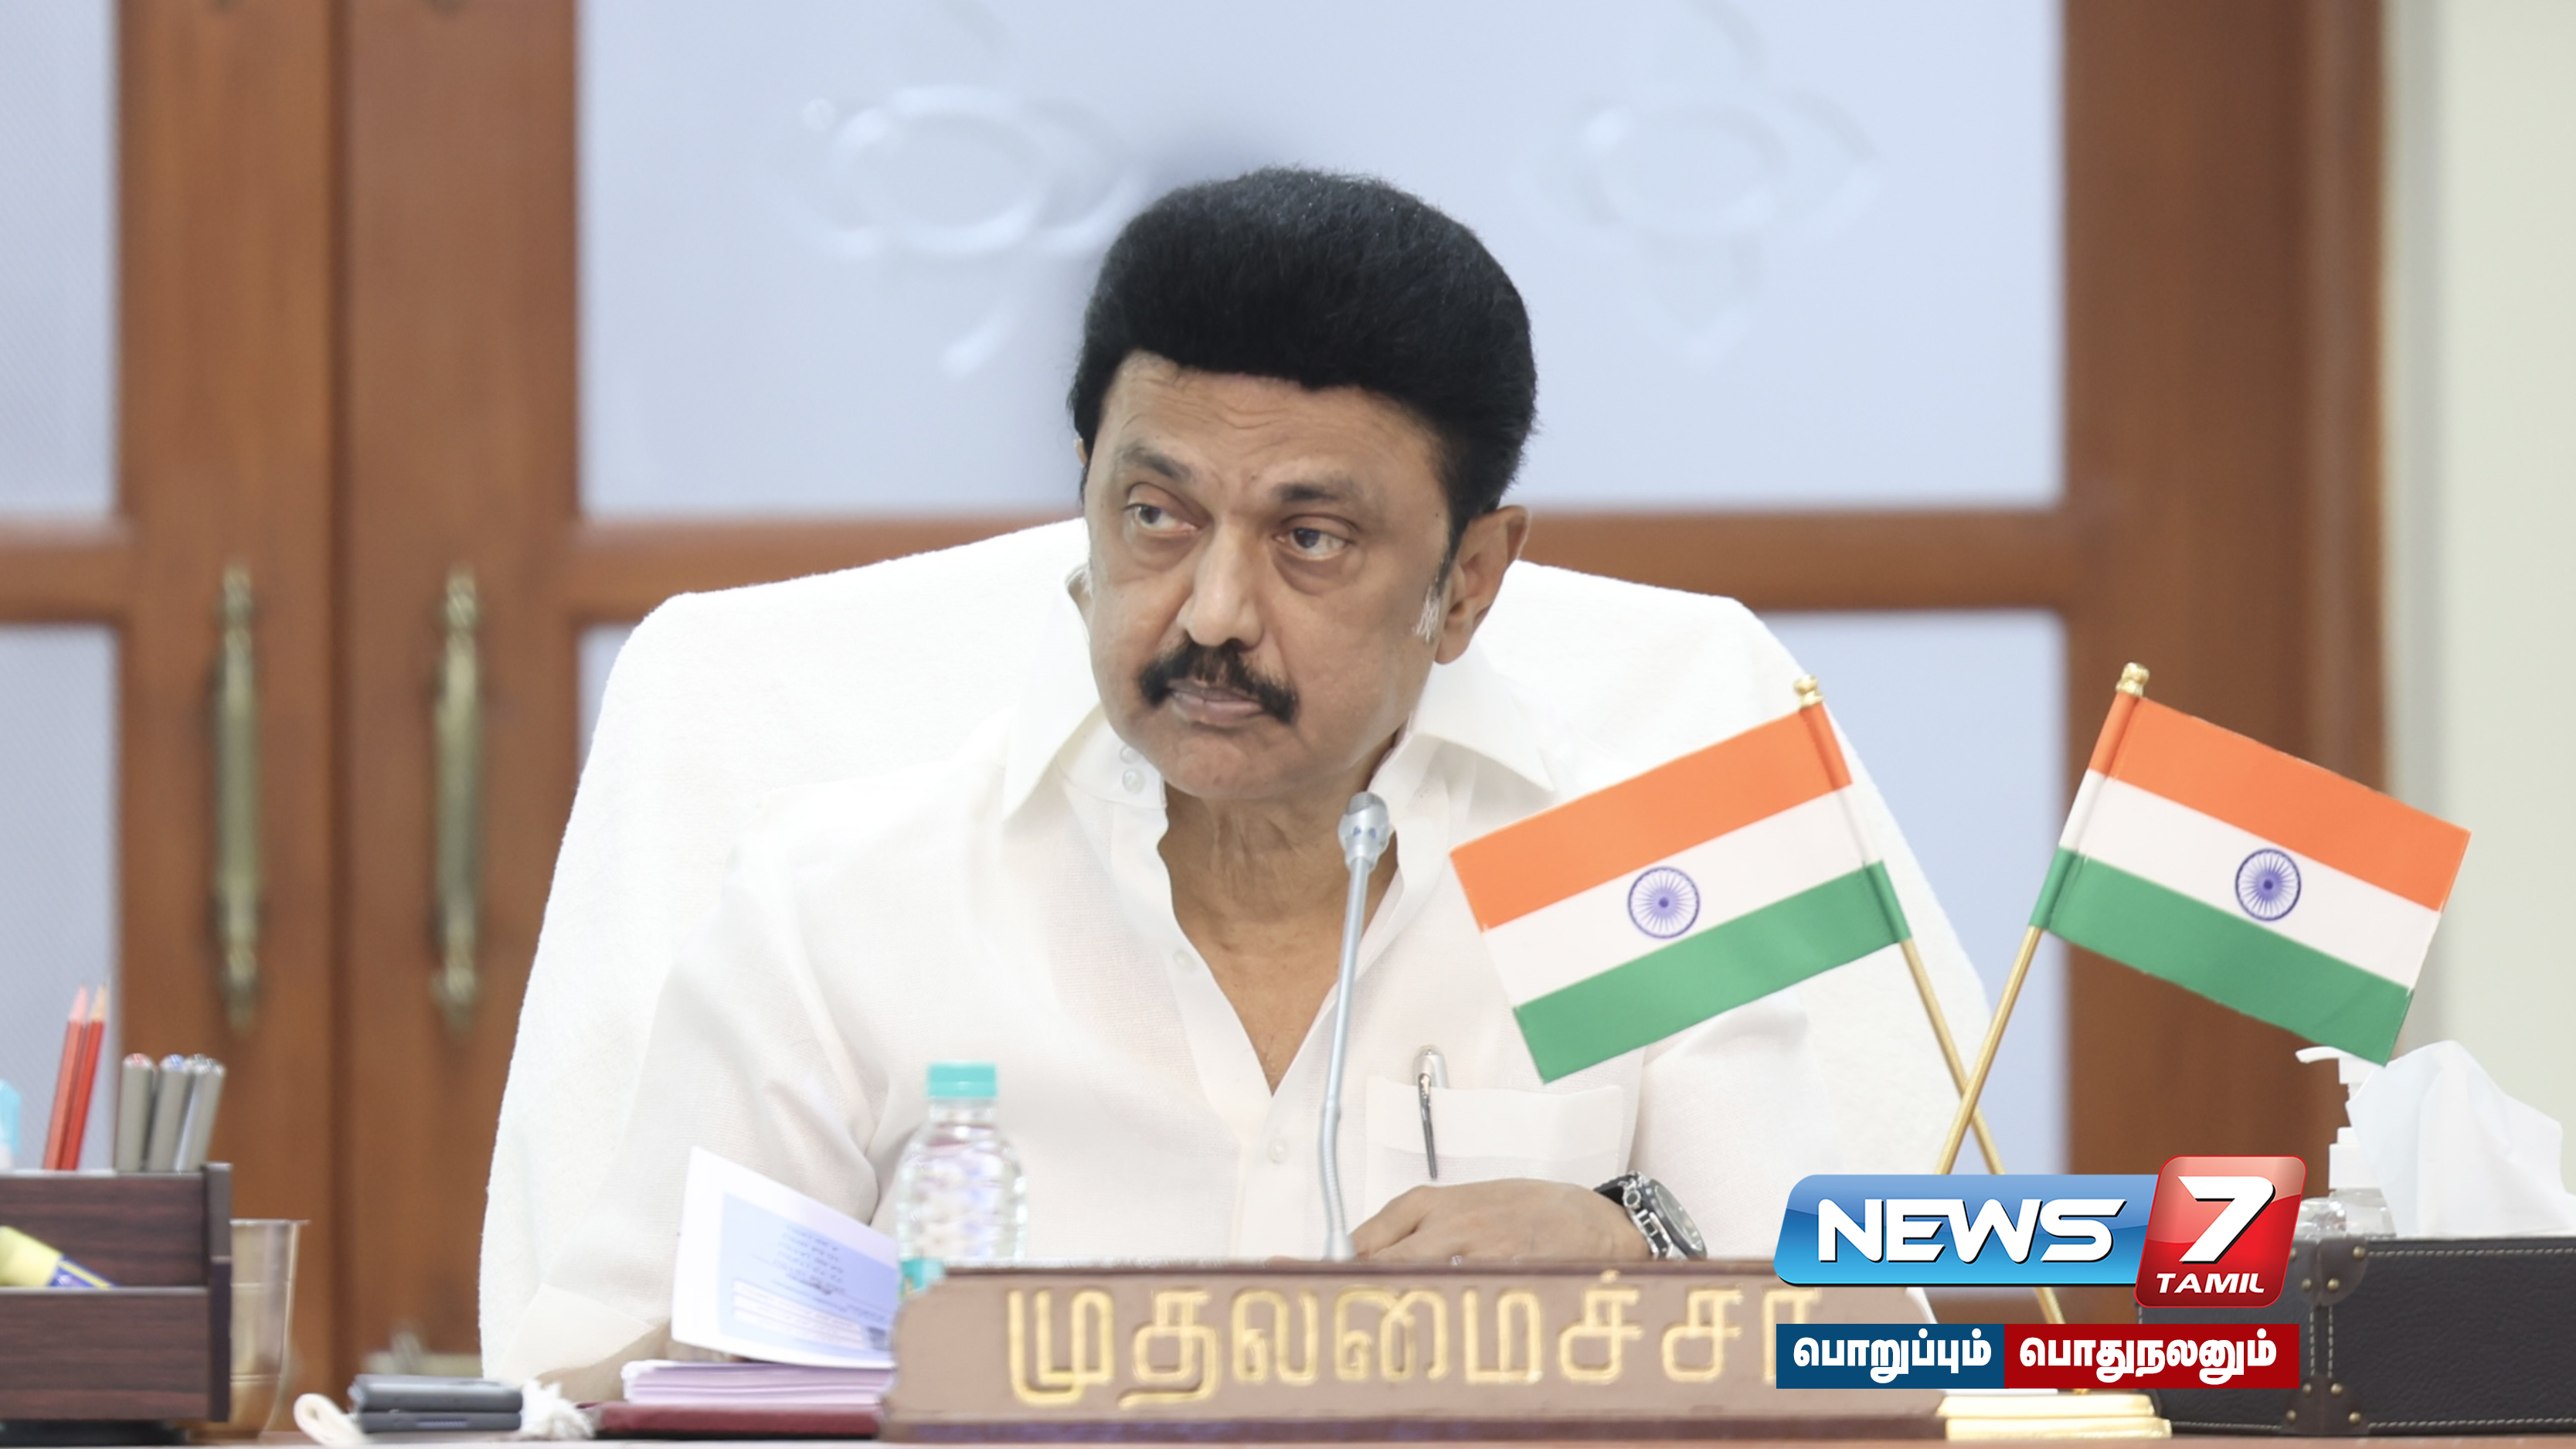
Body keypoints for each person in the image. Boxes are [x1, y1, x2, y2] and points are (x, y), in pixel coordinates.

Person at [495, 168, 1963, 1392]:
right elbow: (592, 1390)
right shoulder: (849, 902)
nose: (1210, 613)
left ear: (1466, 581)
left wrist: (1636, 1247)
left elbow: (1860, 1365)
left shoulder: (1632, 881)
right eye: (1156, 515)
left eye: (1310, 539)